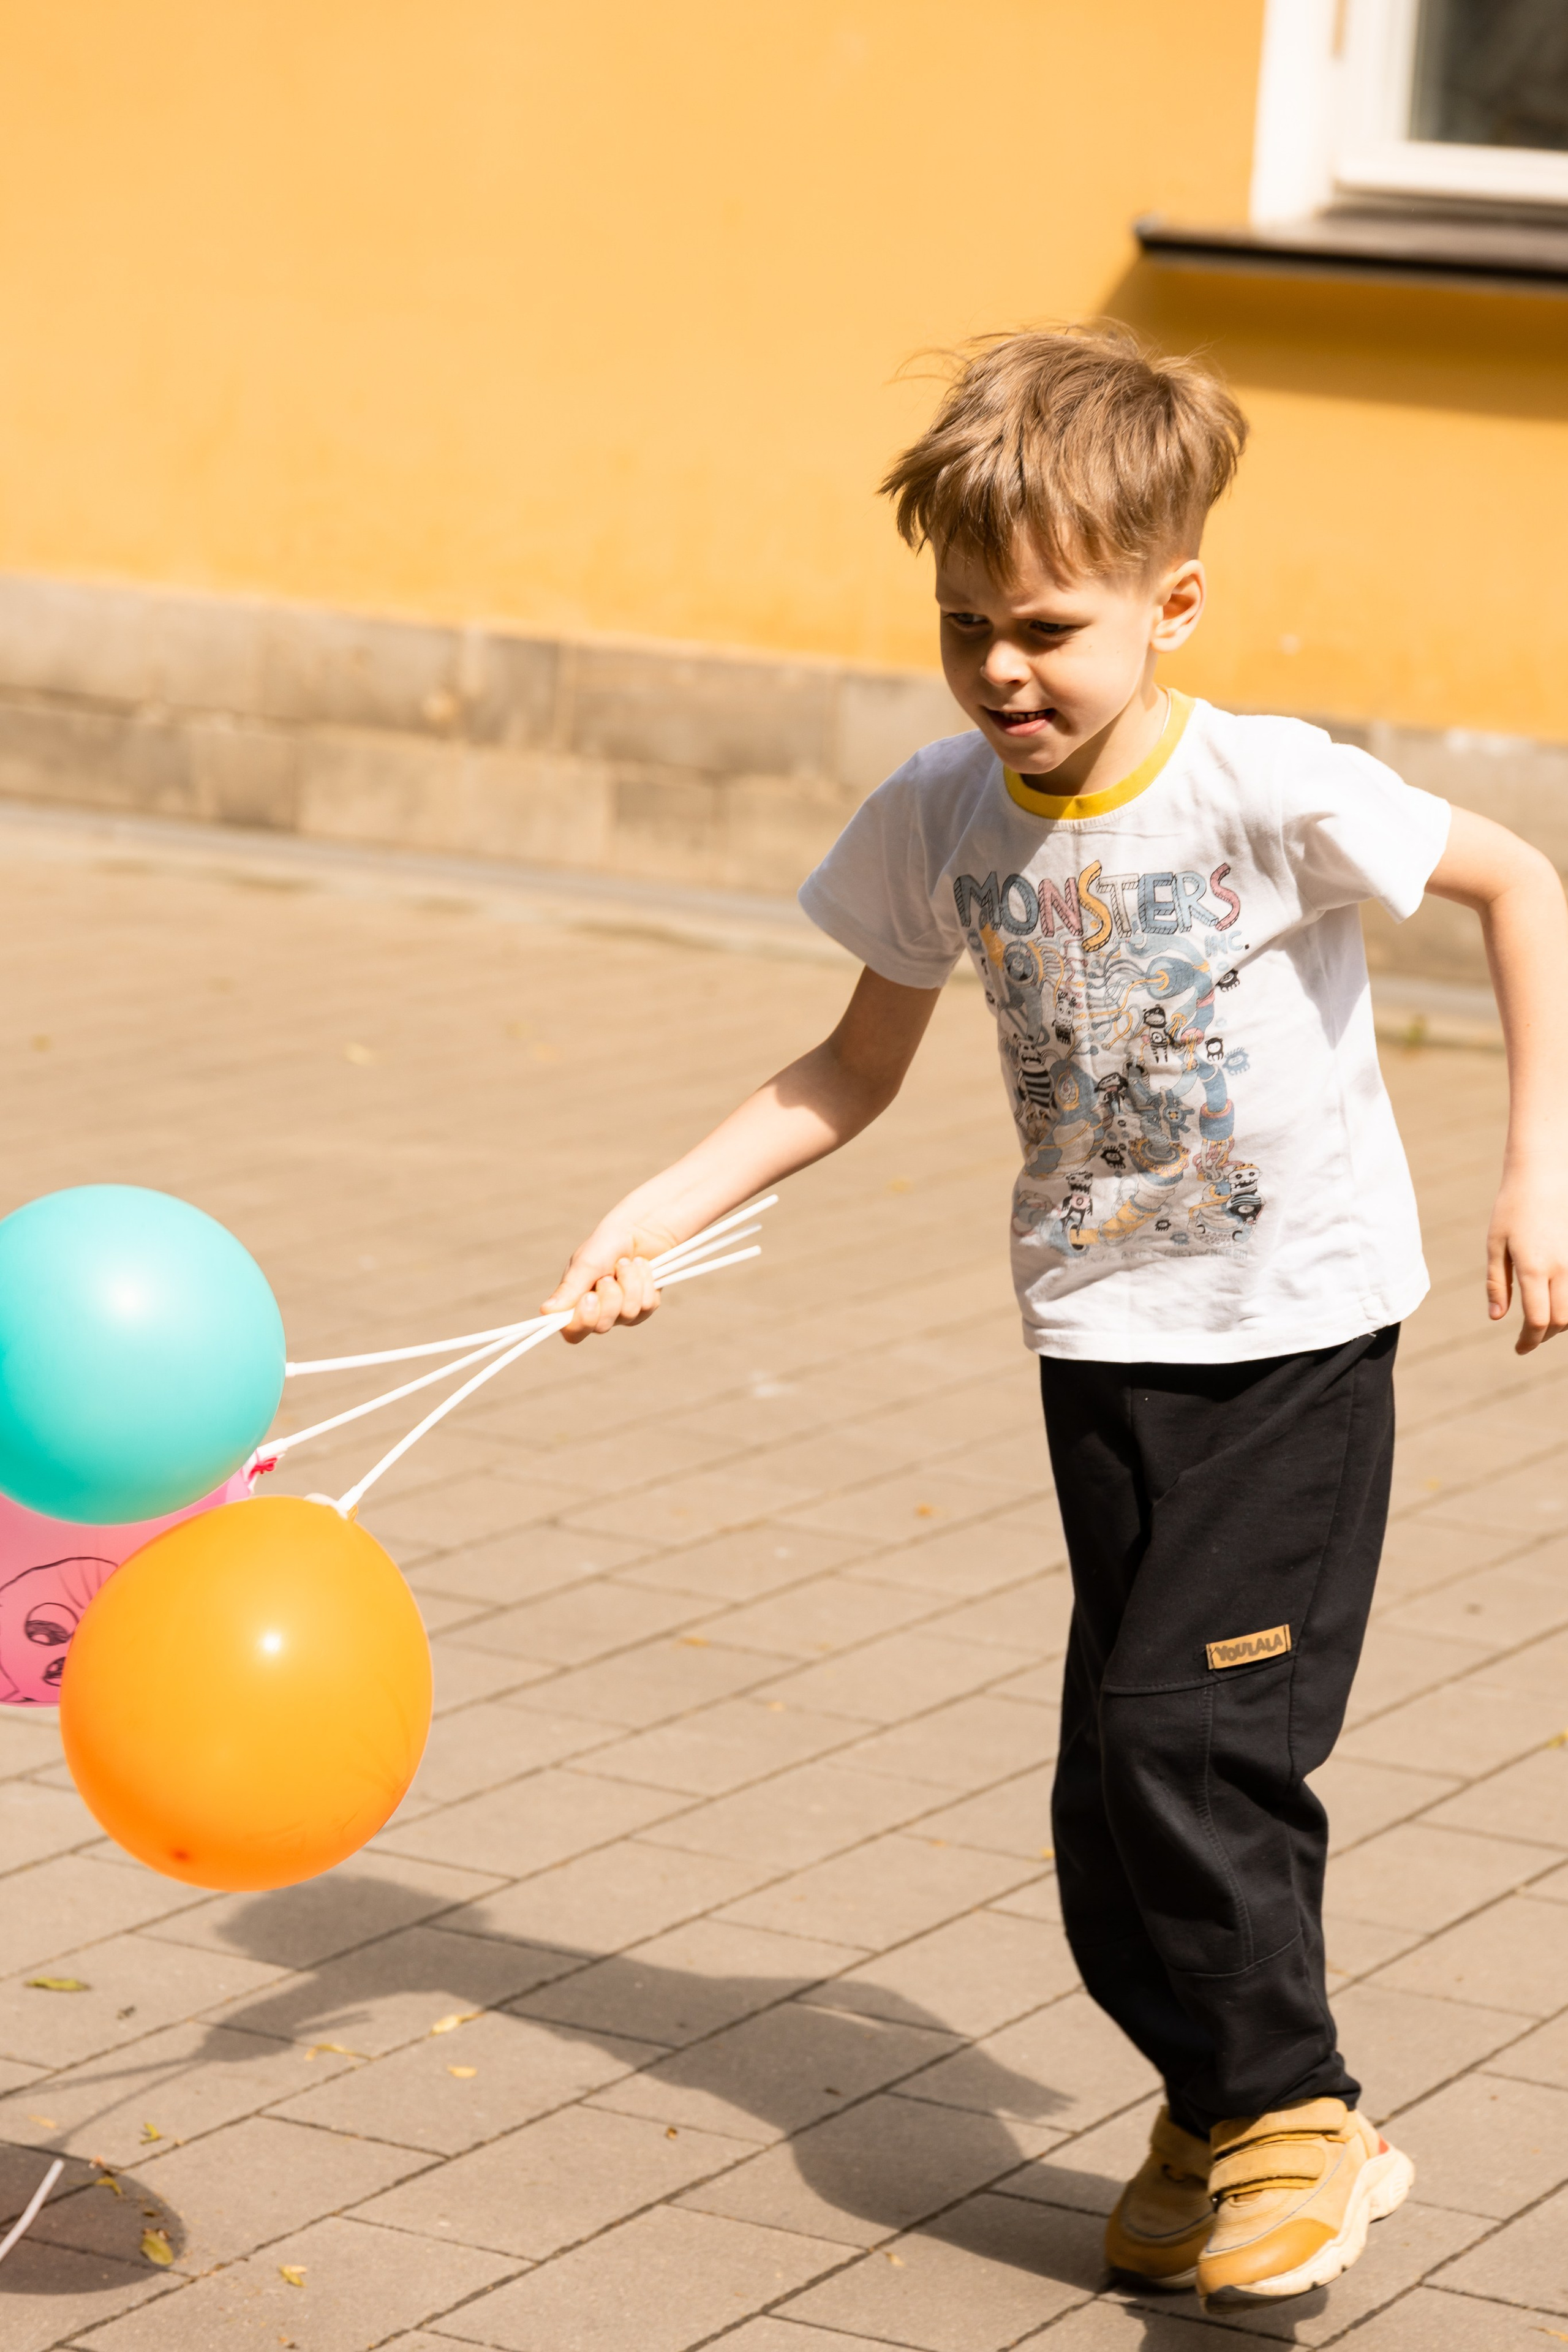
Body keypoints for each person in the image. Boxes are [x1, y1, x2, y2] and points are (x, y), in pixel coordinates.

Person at [542, 327, 1568, 2308]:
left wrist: (1544, 1167)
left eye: (1047, 628)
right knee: (1110, 1789)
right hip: (1101, 1349)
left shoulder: (1267, 787)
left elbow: (1525, 879)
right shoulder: (947, 815)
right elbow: (850, 1067)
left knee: (1194, 1743)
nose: (1001, 670)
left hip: (1289, 1341)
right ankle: (1207, 2110)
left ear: (1174, 605)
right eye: (960, 628)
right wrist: (652, 1215)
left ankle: (1296, 2118)